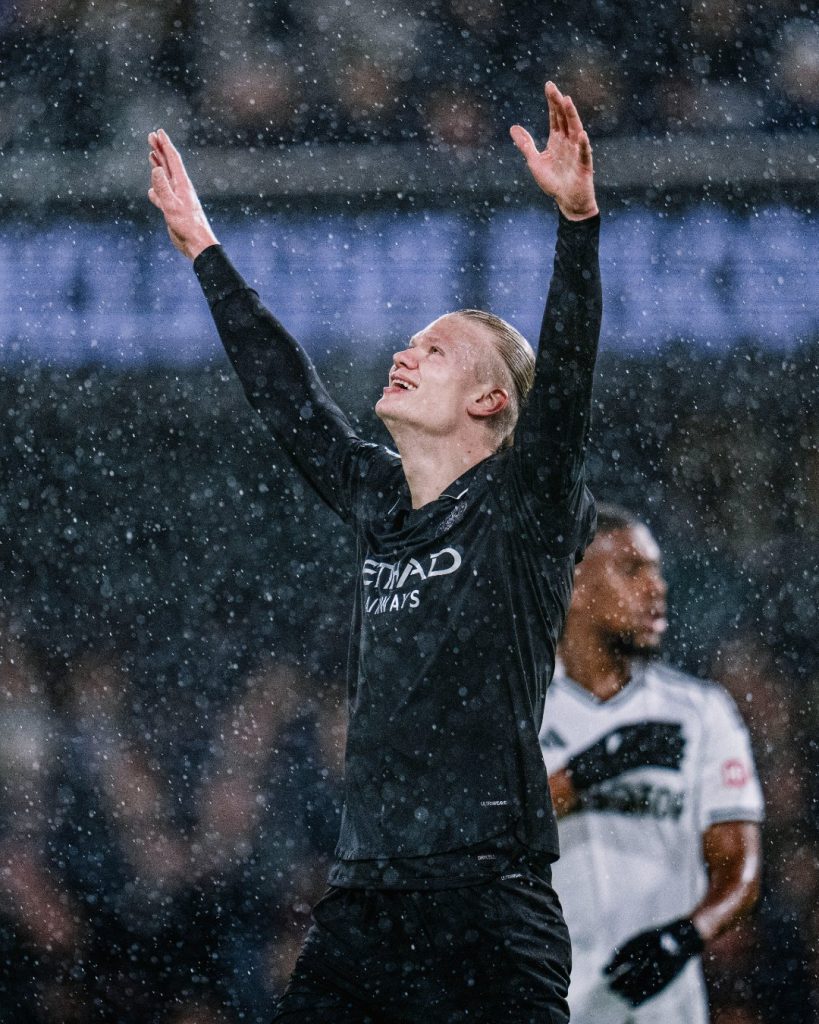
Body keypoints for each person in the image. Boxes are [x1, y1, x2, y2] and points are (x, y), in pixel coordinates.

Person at [148, 80, 602, 1023]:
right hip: (365, 904)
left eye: (434, 352)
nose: (404, 354)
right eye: (408, 343)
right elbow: (292, 402)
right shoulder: (379, 498)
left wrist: (576, 221)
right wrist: (205, 252)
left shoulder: (522, 506)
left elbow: (562, 380)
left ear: (488, 404)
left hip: (489, 903)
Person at [540, 504, 764, 1024]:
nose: (656, 587)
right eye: (632, 569)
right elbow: (483, 835)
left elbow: (740, 869)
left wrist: (688, 934)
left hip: (666, 1007)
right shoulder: (522, 709)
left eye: (657, 569)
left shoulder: (701, 712)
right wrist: (589, 771)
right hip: (551, 1002)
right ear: (572, 584)